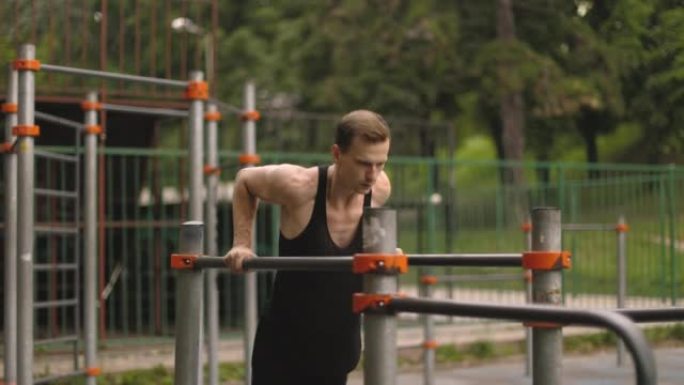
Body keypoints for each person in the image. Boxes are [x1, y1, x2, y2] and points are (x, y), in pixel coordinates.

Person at [224, 109, 392, 385]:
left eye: (380, 163)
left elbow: (371, 247)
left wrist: (387, 253)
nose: (372, 174)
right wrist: (242, 243)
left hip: (338, 352)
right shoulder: (299, 186)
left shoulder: (380, 189)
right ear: (337, 154)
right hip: (283, 354)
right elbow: (245, 180)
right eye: (363, 163)